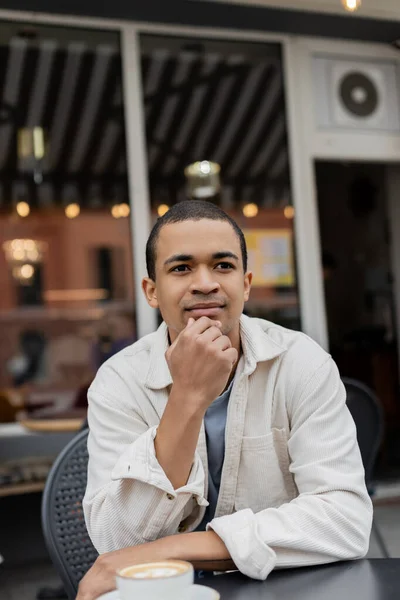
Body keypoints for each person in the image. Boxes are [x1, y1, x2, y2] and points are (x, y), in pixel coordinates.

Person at [79, 200, 372, 600]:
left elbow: (345, 519)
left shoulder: (301, 362)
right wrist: (186, 397)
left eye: (223, 265)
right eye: (181, 268)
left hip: (286, 587)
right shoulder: (118, 382)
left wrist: (177, 548)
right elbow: (118, 539)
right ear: (151, 291)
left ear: (246, 284)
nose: (205, 283)